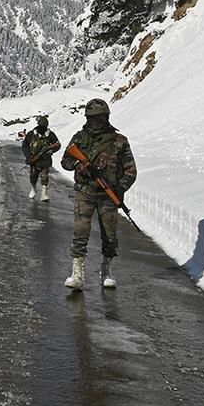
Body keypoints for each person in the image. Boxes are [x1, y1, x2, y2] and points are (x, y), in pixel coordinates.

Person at [60, 98, 136, 290]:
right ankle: (77, 272)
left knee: (109, 235)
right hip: (85, 191)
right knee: (80, 230)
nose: (98, 122)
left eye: (101, 118)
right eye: (94, 118)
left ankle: (107, 269)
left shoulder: (119, 141)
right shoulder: (80, 138)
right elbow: (65, 161)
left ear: (107, 117)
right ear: (87, 118)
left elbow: (131, 171)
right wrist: (78, 165)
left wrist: (120, 188)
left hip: (108, 195)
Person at [21, 115, 60, 202]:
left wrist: (51, 151)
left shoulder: (50, 135)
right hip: (33, 159)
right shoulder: (31, 134)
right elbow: (25, 146)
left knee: (44, 177)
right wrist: (29, 156)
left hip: (45, 160)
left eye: (44, 127)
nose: (42, 128)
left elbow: (57, 144)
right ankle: (34, 189)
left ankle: (44, 193)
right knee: (33, 177)